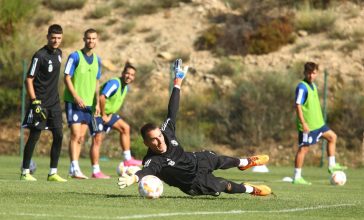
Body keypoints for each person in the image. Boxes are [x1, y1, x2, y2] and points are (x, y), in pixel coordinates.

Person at [117, 59, 272, 197]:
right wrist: (134, 178)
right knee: (224, 185)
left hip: (196, 160)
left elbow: (172, 111)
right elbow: (146, 171)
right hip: (193, 182)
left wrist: (177, 83)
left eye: (159, 136)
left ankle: (244, 163)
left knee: (217, 159)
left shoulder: (167, 132)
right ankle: (251, 190)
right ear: (146, 144)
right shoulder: (153, 160)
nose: (160, 141)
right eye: (154, 140)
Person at [20, 24, 66, 182]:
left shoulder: (60, 53)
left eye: (59, 38)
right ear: (47, 37)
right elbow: (29, 79)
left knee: (59, 135)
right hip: (40, 103)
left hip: (54, 103)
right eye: (53, 37)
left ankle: (52, 173)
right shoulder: (39, 55)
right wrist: (34, 102)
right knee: (34, 136)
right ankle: (25, 172)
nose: (56, 40)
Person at [292, 62, 347, 185]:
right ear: (304, 73)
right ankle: (297, 177)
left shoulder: (313, 86)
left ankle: (332, 165)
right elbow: (297, 105)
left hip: (319, 124)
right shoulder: (302, 87)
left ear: (317, 73)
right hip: (308, 126)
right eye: (309, 73)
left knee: (332, 137)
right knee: (303, 150)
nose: (311, 76)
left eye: (314, 73)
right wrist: (304, 123)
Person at [91, 63, 142, 179]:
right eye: (127, 73)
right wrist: (104, 114)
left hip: (108, 114)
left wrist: (109, 115)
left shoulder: (126, 87)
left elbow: (111, 103)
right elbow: (102, 97)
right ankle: (95, 171)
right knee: (97, 140)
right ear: (122, 73)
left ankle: (128, 159)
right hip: (97, 113)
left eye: (132, 75)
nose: (129, 76)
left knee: (125, 128)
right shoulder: (115, 83)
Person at [63, 28, 102, 179]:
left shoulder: (98, 60)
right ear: (84, 39)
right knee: (75, 134)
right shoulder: (75, 56)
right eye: (88, 38)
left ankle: (74, 168)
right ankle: (74, 167)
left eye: (94, 38)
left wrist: (97, 103)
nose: (91, 41)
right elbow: (66, 77)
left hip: (88, 105)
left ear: (96, 40)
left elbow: (97, 82)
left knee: (81, 138)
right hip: (74, 102)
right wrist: (76, 96)